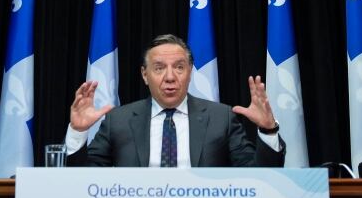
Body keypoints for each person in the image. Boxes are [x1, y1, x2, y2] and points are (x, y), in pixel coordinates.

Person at [65, 34, 286, 167]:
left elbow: (259, 180)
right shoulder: (119, 121)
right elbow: (85, 181)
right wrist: (77, 131)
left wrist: (268, 131)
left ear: (190, 72)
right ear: (144, 75)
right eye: (159, 68)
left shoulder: (221, 118)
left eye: (179, 67)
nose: (170, 77)